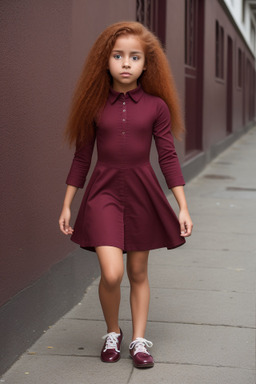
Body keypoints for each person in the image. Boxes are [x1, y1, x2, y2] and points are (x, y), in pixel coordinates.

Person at [59, 21, 193, 369]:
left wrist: (182, 207)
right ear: (106, 60)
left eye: (134, 57)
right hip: (102, 193)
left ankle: (138, 340)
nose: (126, 63)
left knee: (137, 271)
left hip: (142, 194)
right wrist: (67, 204)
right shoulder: (94, 105)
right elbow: (81, 158)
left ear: (146, 64)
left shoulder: (156, 107)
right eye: (118, 55)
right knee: (113, 272)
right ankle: (113, 331)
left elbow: (167, 156)